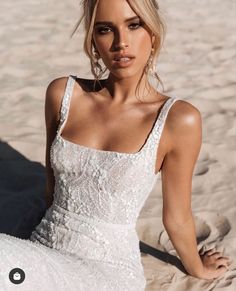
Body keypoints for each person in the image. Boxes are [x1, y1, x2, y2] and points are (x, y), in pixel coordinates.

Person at [0, 0, 230, 290]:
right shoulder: (62, 94)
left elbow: (177, 217)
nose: (121, 42)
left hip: (106, 270)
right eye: (106, 29)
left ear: (154, 32)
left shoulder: (177, 120)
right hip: (43, 249)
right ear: (93, 40)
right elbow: (51, 188)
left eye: (134, 25)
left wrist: (198, 267)